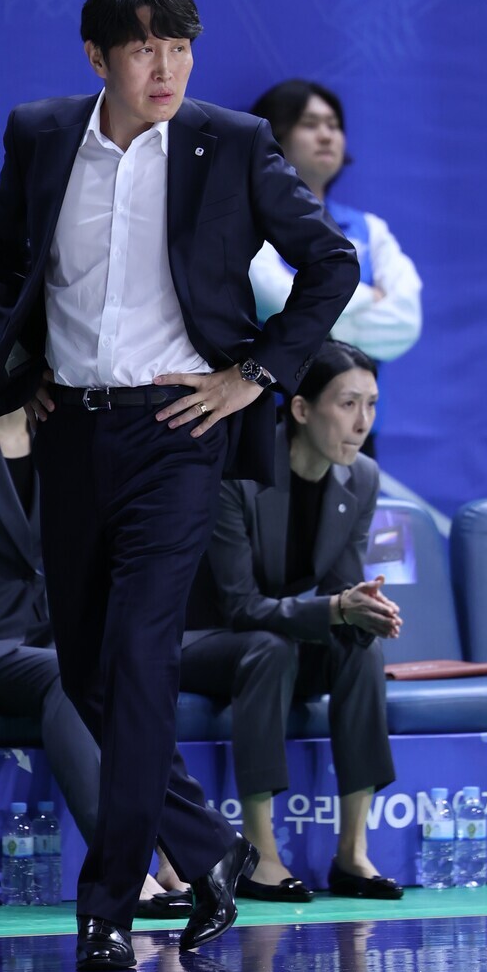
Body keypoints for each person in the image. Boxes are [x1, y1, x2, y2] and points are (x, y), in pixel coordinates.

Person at [0, 0, 360, 970]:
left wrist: (254, 376)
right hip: (71, 431)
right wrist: (26, 368)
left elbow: (331, 264)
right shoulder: (41, 133)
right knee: (90, 674)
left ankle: (110, 902)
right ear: (97, 56)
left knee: (141, 658)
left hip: (180, 432)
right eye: (144, 47)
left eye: (179, 47)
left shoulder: (231, 142)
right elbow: (0, 254)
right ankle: (211, 845)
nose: (166, 67)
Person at [0, 286, 187, 916]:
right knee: (69, 676)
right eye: (40, 334)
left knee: (127, 669)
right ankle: (121, 868)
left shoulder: (63, 426)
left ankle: (175, 849)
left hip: (41, 635)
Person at [182, 341, 404, 900]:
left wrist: (365, 609)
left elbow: (341, 590)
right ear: (301, 409)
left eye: (372, 405)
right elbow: (239, 606)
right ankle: (260, 854)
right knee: (270, 647)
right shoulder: (241, 474)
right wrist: (336, 609)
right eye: (348, 404)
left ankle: (352, 852)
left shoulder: (362, 478)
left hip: (275, 638)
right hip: (207, 640)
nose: (362, 423)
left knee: (361, 647)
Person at [249, 79, 422, 456]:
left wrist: (311, 319)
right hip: (265, 417)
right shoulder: (248, 221)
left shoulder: (370, 229)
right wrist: (369, 298)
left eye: (334, 125)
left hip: (354, 430)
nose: (327, 135)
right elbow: (272, 297)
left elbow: (406, 323)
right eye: (310, 124)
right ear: (275, 135)